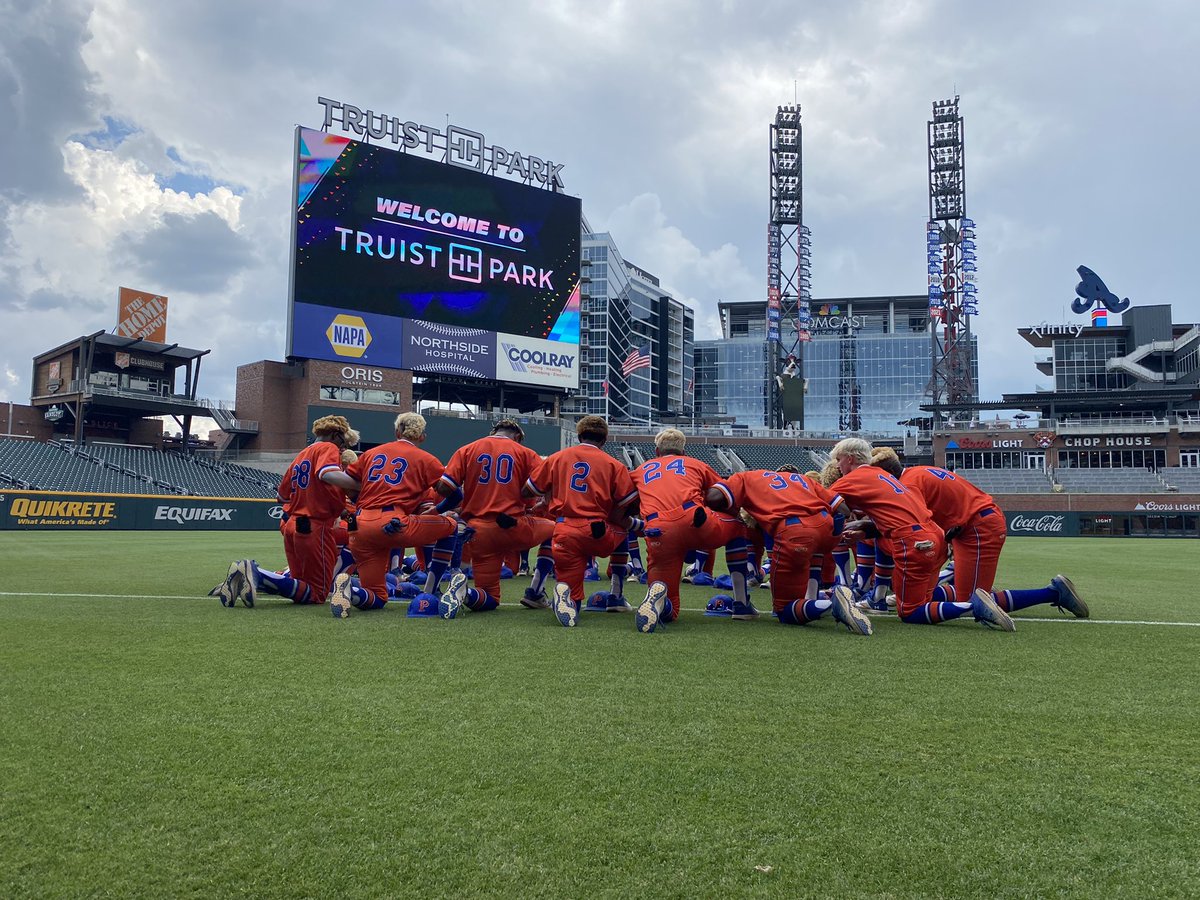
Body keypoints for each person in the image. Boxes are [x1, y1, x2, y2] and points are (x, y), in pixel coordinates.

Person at [870, 447, 1088, 619]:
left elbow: (913, 525)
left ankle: (1053, 593)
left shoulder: (909, 484)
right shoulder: (917, 473)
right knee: (967, 595)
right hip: (974, 524)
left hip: (977, 526)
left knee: (974, 600)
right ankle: (914, 596)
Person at [828, 437, 1013, 630]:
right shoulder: (900, 476)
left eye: (838, 459)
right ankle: (878, 594)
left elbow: (825, 501)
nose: (837, 465)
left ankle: (977, 605)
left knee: (919, 609)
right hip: (939, 532)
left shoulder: (883, 480)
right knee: (932, 598)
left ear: (850, 458)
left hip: (943, 533)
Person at [214, 415, 361, 608]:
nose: (343, 449)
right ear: (335, 435)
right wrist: (359, 485)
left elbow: (282, 496)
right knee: (318, 593)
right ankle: (256, 574)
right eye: (343, 443)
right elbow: (327, 474)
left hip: (292, 524)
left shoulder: (301, 455)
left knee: (301, 585)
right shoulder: (327, 448)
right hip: (315, 525)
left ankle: (252, 577)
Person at [705, 468, 873, 636]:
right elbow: (843, 509)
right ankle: (813, 600)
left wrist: (731, 509)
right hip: (827, 527)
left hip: (795, 530)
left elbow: (714, 497)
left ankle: (832, 604)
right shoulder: (801, 478)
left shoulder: (745, 478)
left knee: (784, 610)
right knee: (816, 547)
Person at [329, 412, 460, 617]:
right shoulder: (426, 458)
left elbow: (348, 486)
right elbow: (454, 494)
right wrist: (437, 510)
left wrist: (363, 505)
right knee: (451, 525)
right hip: (392, 521)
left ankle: (351, 592)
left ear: (397, 431)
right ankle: (431, 590)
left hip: (360, 524)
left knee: (377, 596)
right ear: (422, 437)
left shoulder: (371, 453)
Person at [630, 428, 753, 633]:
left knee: (671, 606)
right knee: (737, 526)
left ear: (657, 451)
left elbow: (624, 503)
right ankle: (741, 603)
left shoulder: (641, 469)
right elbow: (721, 494)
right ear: (684, 452)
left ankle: (660, 601)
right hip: (694, 519)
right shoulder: (695, 464)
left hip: (658, 528)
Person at [524, 415, 642, 628]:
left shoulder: (557, 457)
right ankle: (616, 595)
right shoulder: (613, 464)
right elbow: (630, 504)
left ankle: (569, 599)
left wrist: (549, 496)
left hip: (564, 528)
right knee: (624, 528)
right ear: (604, 440)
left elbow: (528, 490)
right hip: (598, 529)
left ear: (579, 436)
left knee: (572, 589)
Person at [435, 418, 555, 618]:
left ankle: (466, 592)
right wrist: (536, 502)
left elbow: (445, 487)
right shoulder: (525, 453)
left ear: (494, 431)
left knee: (489, 597)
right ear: (517, 436)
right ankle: (535, 591)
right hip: (512, 525)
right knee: (558, 528)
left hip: (478, 530)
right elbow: (544, 485)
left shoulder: (467, 449)